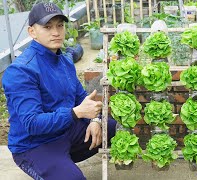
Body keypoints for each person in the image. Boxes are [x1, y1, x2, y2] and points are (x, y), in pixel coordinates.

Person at [2, 2, 116, 179]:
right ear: (32, 32)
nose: (56, 32)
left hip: (65, 132)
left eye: (60, 25)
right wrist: (75, 113)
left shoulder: (64, 61)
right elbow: (32, 124)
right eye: (47, 27)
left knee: (111, 127)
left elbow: (82, 98)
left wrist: (95, 119)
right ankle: (57, 166)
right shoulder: (21, 71)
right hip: (35, 145)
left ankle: (61, 164)